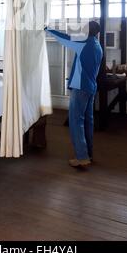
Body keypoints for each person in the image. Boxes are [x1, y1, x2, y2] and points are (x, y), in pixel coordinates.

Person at [45, 21, 103, 169]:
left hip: (80, 87)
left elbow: (65, 38)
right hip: (91, 87)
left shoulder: (84, 43)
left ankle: (82, 157)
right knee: (88, 122)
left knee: (76, 122)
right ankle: (88, 154)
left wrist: (48, 29)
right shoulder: (98, 46)